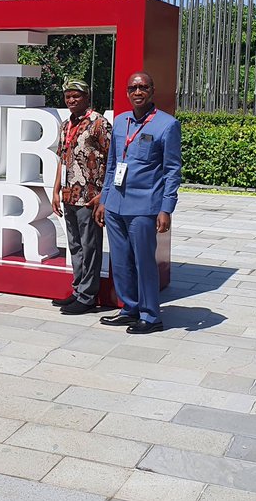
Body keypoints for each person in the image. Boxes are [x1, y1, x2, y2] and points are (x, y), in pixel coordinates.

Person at [95, 72, 182, 334]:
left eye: (143, 87)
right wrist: (104, 200)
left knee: (144, 262)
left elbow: (172, 170)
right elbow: (112, 166)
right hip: (116, 206)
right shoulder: (121, 122)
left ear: (152, 90)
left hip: (144, 207)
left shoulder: (167, 125)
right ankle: (130, 308)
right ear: (126, 92)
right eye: (133, 87)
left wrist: (166, 208)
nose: (138, 91)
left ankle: (151, 315)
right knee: (120, 261)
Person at [50, 79, 111, 315]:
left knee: (90, 245)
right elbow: (62, 160)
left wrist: (104, 193)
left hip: (89, 196)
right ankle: (77, 290)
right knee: (75, 245)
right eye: (68, 97)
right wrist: (55, 190)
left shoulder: (99, 124)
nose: (71, 100)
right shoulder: (66, 125)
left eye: (76, 96)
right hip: (68, 194)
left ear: (87, 97)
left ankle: (87, 296)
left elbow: (112, 159)